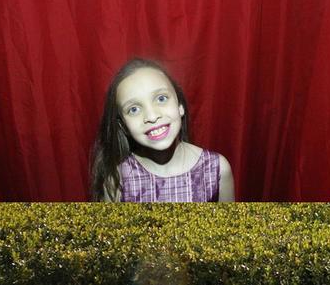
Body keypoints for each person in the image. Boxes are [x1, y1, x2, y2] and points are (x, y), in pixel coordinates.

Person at [90, 57, 235, 202]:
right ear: (123, 126)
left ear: (180, 105)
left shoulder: (217, 169)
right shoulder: (117, 180)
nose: (152, 116)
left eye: (161, 98)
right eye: (134, 109)